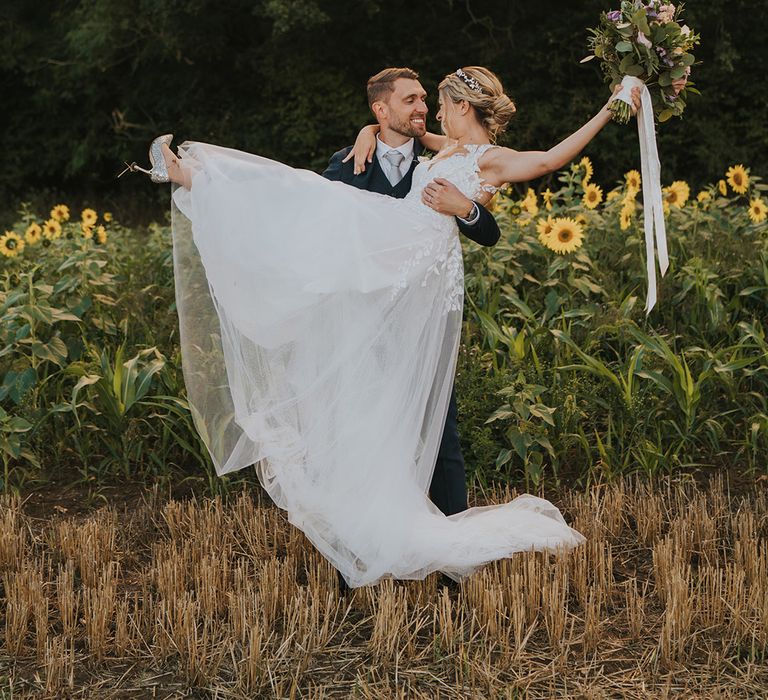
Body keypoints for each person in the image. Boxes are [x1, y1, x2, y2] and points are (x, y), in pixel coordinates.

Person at [122, 66, 640, 588]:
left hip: (410, 264)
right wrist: (368, 131)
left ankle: (195, 177)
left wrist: (610, 106)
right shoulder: (442, 147)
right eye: (423, 102)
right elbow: (398, 131)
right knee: (307, 194)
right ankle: (194, 176)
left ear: (462, 107)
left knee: (315, 203)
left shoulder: (488, 160)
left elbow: (550, 159)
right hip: (389, 254)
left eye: (438, 103)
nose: (432, 112)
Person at [322, 67, 500, 519]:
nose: (423, 108)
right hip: (366, 325)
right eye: (410, 101)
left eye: (425, 99)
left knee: (442, 432)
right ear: (381, 110)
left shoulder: (445, 158)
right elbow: (320, 228)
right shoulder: (346, 164)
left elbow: (488, 229)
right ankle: (361, 551)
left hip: (425, 322)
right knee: (364, 432)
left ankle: (454, 560)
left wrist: (467, 210)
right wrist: (366, 134)